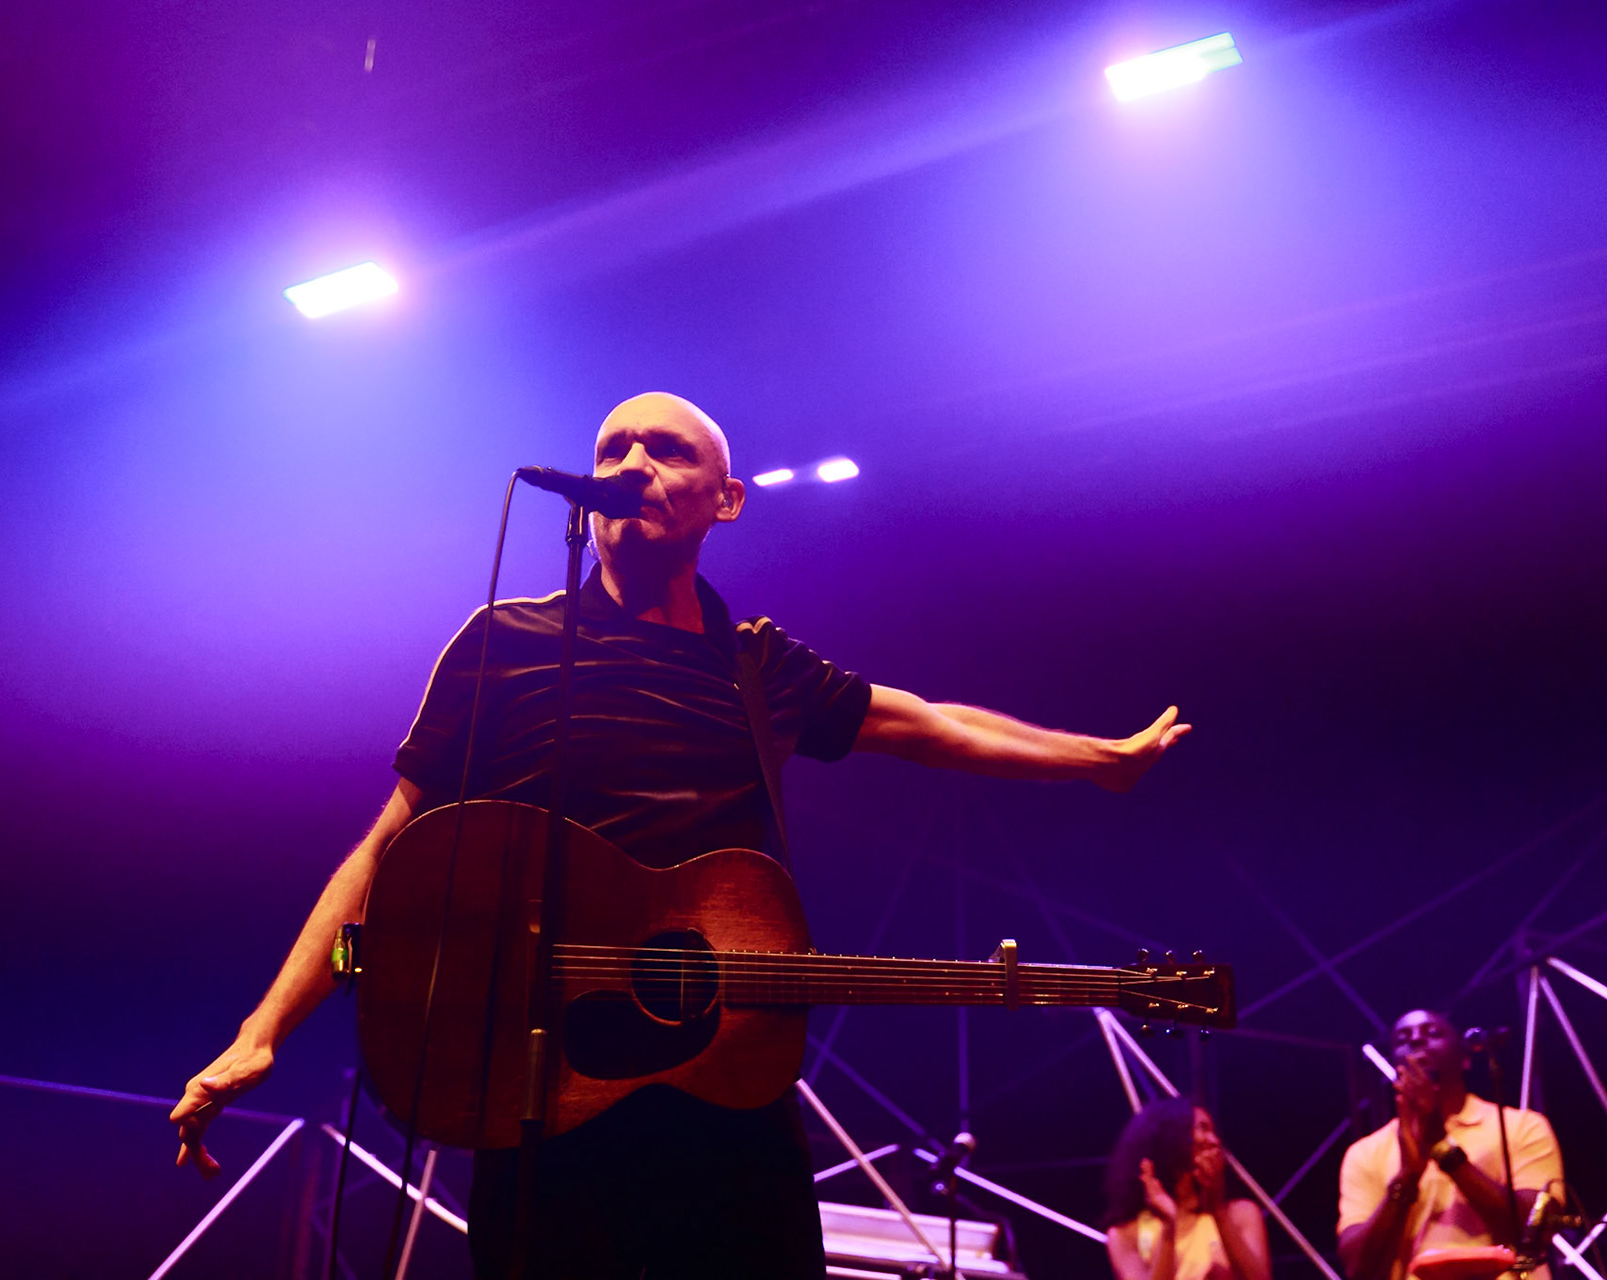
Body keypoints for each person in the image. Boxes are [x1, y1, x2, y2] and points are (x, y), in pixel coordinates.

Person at [170, 391, 1193, 1278]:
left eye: (664, 450)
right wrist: (262, 1031)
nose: (629, 466)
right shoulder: (503, 648)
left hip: (725, 1092)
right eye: (613, 448)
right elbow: (385, 851)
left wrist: (1100, 758)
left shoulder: (756, 668)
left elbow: (927, 720)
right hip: (544, 1092)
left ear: (726, 499)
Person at [1338, 1009, 1564, 1280]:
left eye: (1432, 1033)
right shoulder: (1364, 1152)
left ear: (1465, 1058)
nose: (1417, 1040)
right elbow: (1359, 1271)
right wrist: (1407, 1177)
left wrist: (1443, 1150)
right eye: (1402, 1038)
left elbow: (1535, 1234)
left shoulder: (1521, 1127)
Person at [1104, 1096, 1271, 1280]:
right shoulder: (1125, 1235)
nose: (1214, 1140)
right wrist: (1169, 1227)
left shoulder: (1240, 1214)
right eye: (1202, 1128)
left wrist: (1218, 1209)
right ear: (1168, 1137)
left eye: (1214, 1131)